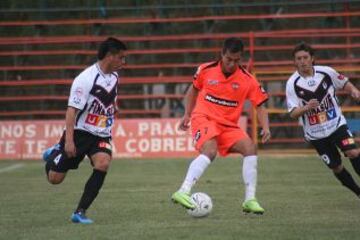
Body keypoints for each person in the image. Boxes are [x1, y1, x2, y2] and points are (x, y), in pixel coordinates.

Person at [171, 37, 271, 214]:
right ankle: (183, 191)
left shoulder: (247, 79)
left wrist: (266, 127)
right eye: (229, 59)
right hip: (204, 118)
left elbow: (260, 105)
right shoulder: (205, 70)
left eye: (237, 60)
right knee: (210, 151)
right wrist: (187, 113)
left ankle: (250, 199)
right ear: (222, 54)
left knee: (250, 147)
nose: (232, 64)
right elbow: (193, 89)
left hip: (228, 125)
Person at [42, 37, 127, 224]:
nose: (123, 62)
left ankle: (79, 212)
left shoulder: (114, 76)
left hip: (102, 133)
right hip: (80, 133)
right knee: (55, 179)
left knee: (103, 163)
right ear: (109, 56)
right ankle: (54, 152)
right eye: (121, 58)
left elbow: (110, 95)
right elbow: (72, 110)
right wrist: (69, 141)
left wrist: (113, 106)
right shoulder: (85, 79)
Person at [286, 42, 360, 198]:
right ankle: (357, 192)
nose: (302, 61)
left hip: (337, 125)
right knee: (336, 167)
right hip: (316, 134)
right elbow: (292, 113)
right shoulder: (292, 84)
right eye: (298, 58)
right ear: (294, 61)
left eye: (305, 57)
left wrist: (353, 90)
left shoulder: (326, 72)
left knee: (353, 152)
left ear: (312, 58)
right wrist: (306, 108)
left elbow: (344, 83)